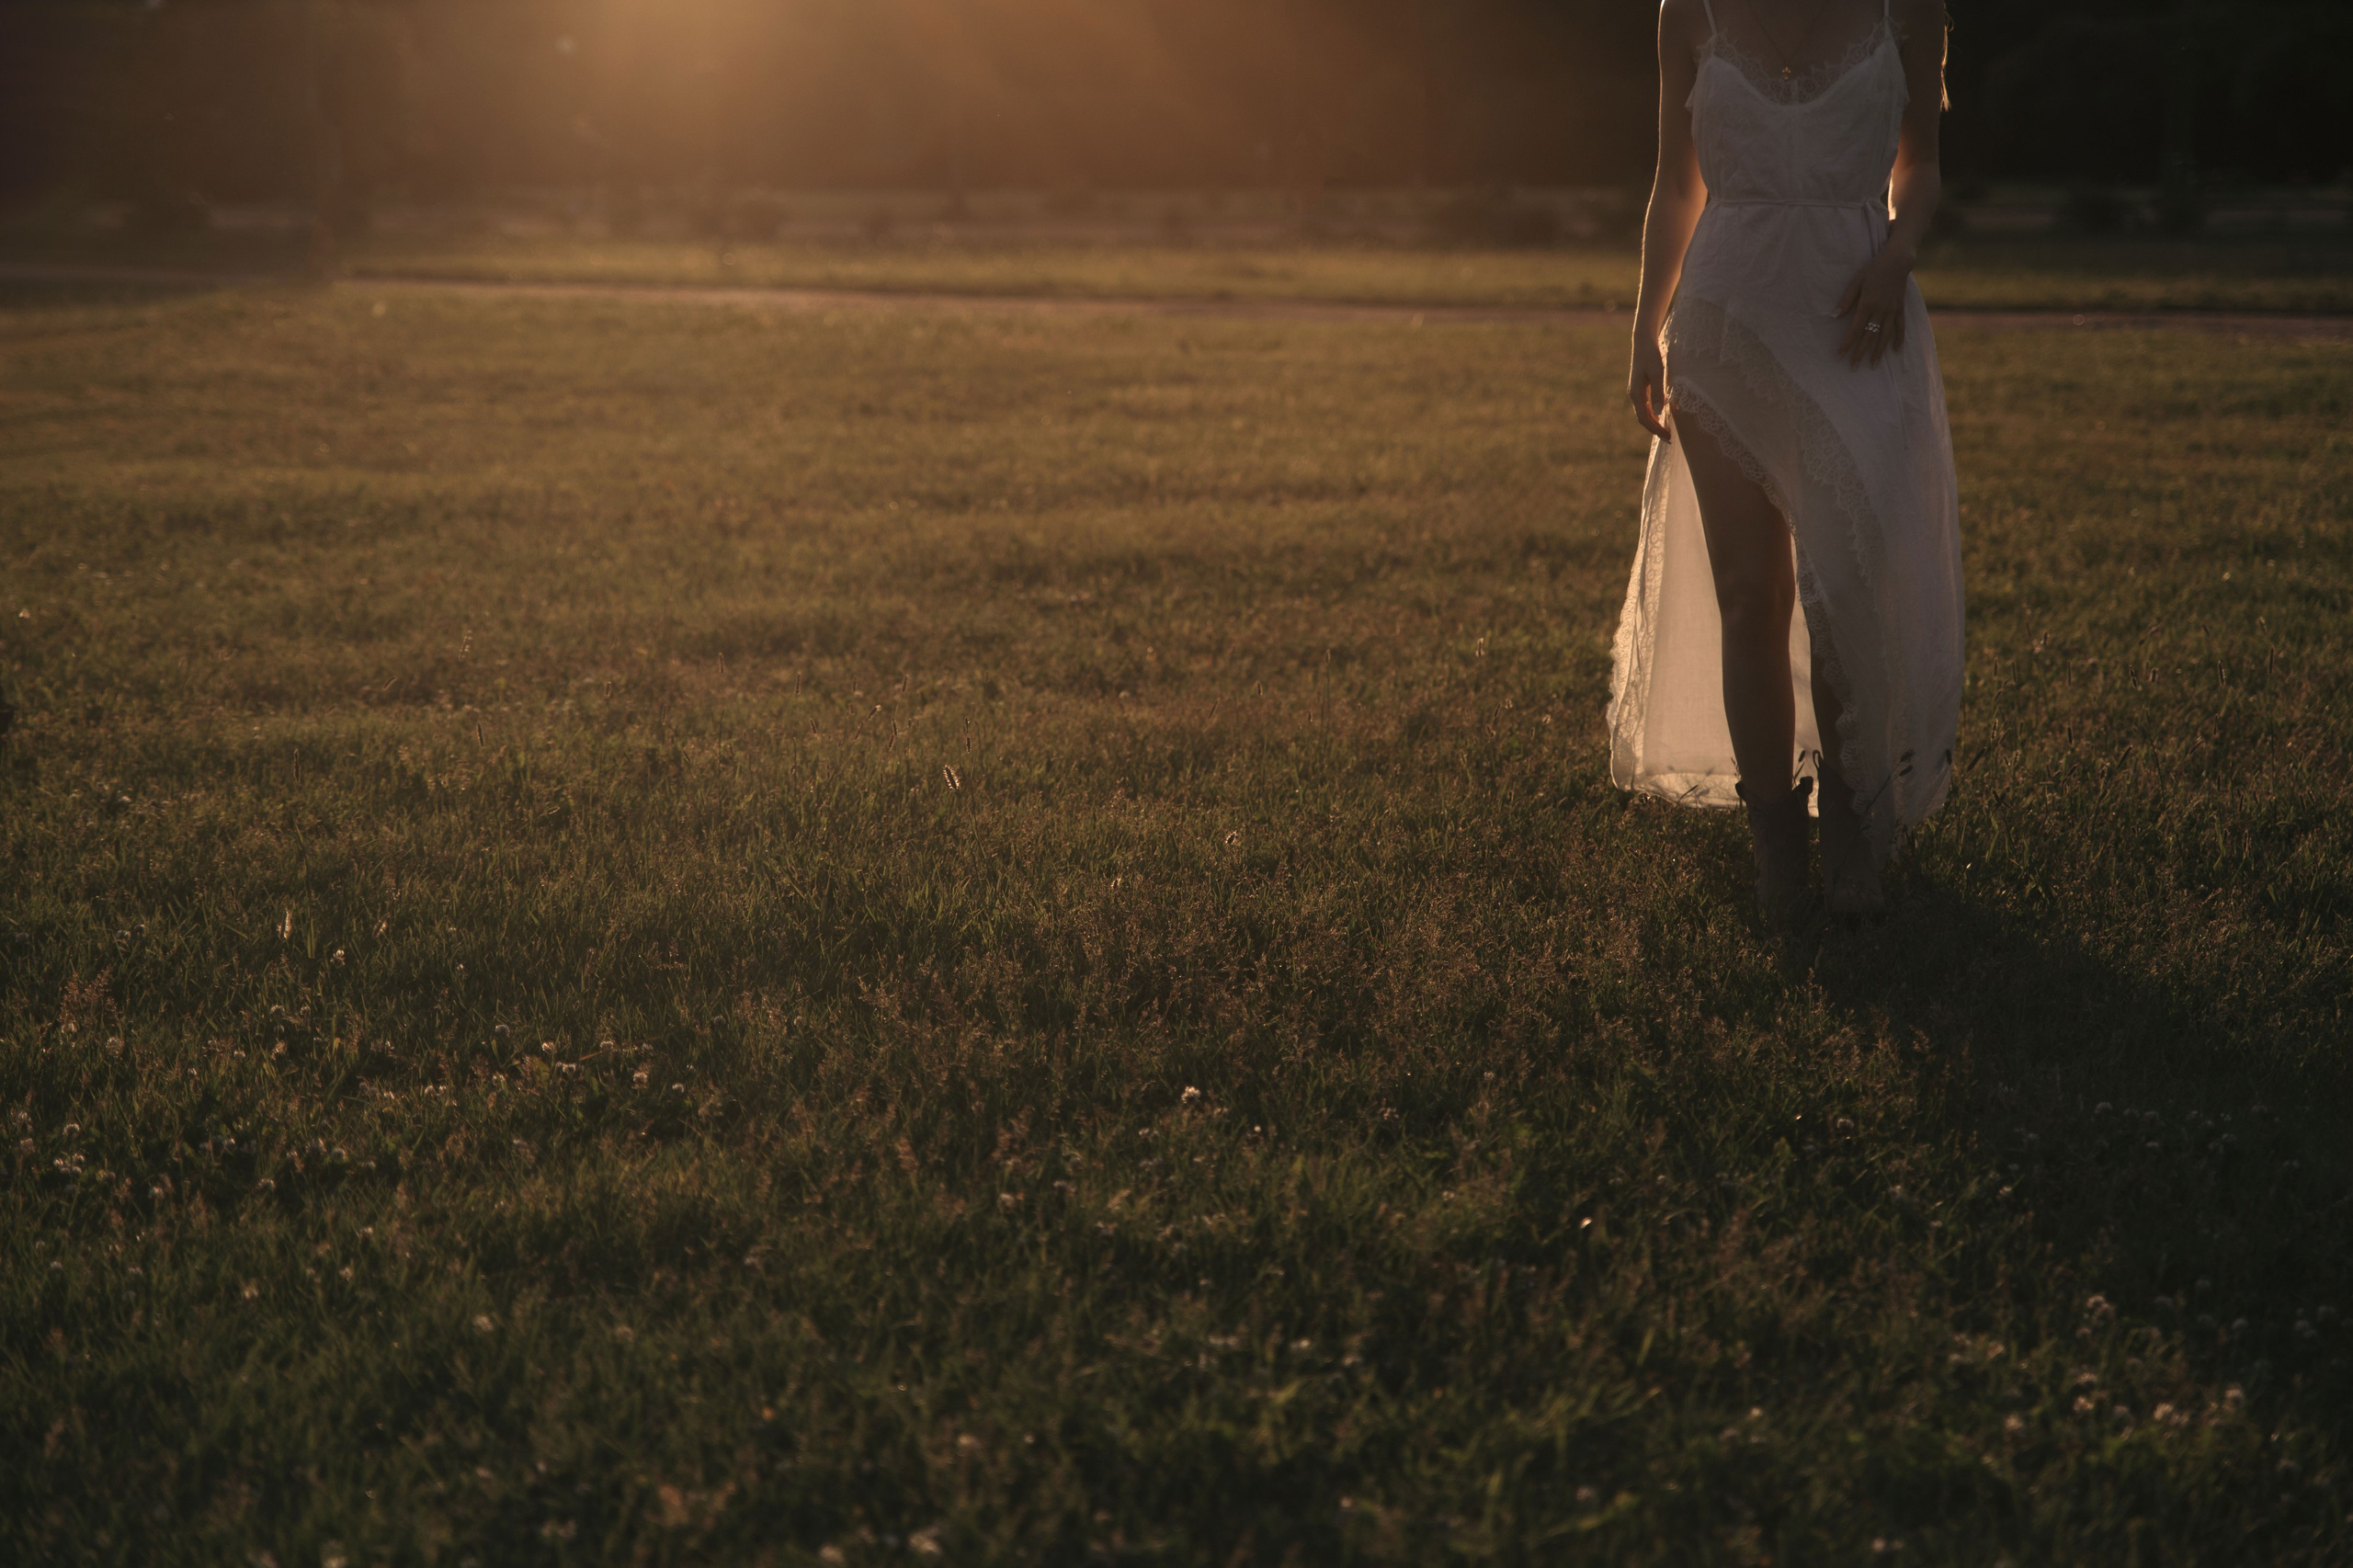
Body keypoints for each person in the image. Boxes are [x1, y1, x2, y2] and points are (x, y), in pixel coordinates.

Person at [1608, 0, 1963, 924]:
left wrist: (1896, 254)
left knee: (1850, 587)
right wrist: (1644, 328)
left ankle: (1851, 834)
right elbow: (1672, 186)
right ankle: (1776, 852)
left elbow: (1920, 168)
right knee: (1746, 592)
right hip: (1724, 323)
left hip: (1855, 319)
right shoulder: (1686, 13)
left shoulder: (1907, 12)